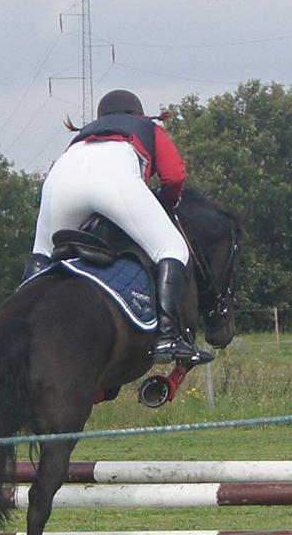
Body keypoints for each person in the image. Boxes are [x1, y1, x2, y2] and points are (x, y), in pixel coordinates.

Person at [24, 89, 213, 365]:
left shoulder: (83, 134)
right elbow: (174, 176)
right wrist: (166, 203)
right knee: (172, 249)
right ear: (138, 113)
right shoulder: (148, 128)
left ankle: (22, 327)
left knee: (41, 254)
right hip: (113, 182)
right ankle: (168, 337)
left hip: (59, 182)